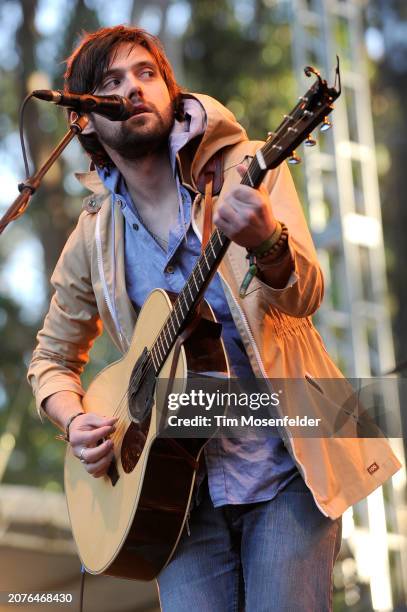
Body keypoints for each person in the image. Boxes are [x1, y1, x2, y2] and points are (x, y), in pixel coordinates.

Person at [28, 25, 401, 612]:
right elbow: (51, 358)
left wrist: (267, 241)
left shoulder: (246, 166)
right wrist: (73, 420)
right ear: (86, 118)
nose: (132, 89)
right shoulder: (93, 235)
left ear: (170, 92)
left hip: (289, 464)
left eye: (146, 74)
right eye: (111, 83)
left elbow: (306, 294)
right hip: (174, 498)